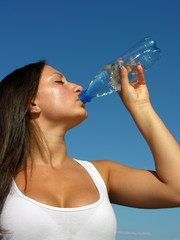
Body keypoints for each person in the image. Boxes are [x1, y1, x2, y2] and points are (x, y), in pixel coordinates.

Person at [0, 60, 180, 240]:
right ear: (32, 103)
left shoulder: (102, 174)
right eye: (59, 82)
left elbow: (176, 189)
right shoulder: (4, 176)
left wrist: (141, 107)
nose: (78, 87)